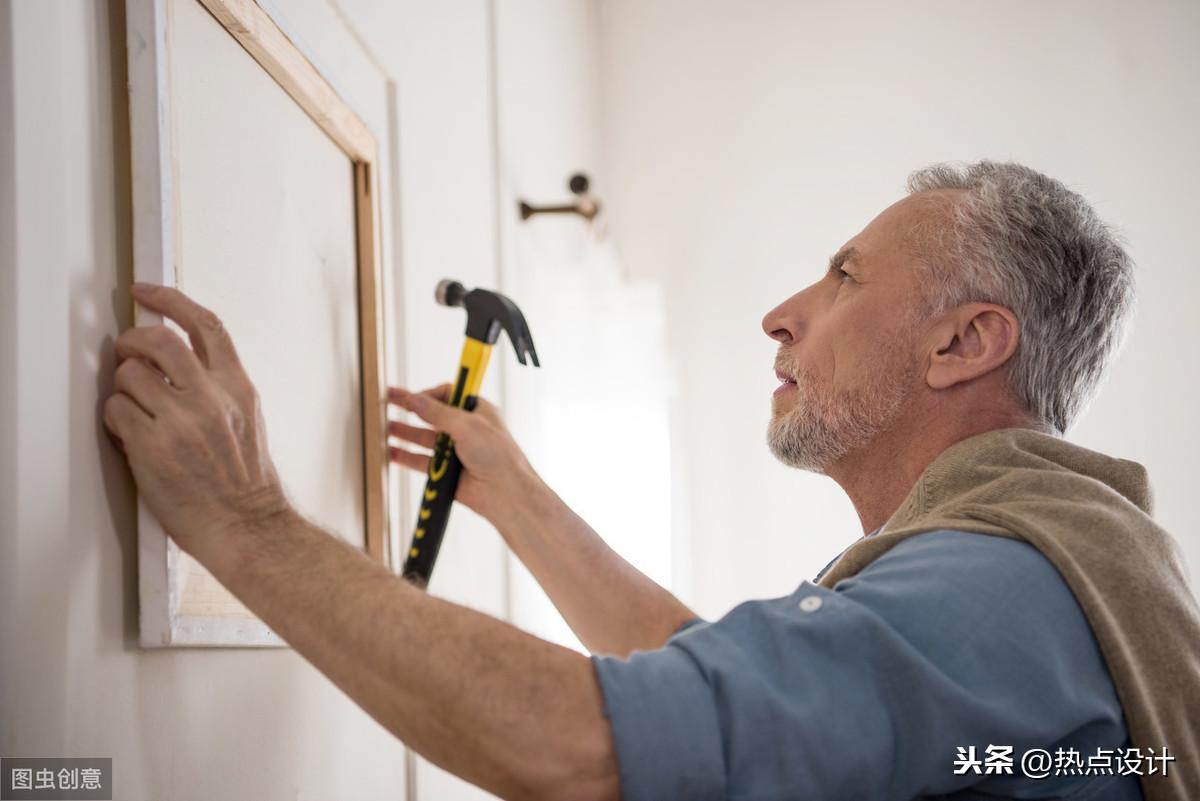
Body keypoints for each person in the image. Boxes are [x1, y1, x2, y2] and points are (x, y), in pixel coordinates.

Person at [102, 161, 1197, 801]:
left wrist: (245, 525)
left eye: (846, 275)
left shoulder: (987, 594)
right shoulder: (1037, 576)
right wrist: (519, 500)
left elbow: (583, 745)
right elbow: (717, 699)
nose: (783, 312)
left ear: (964, 343)